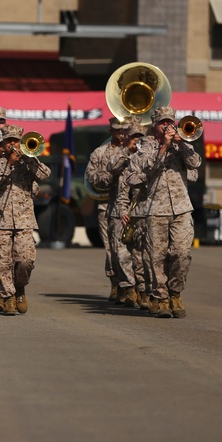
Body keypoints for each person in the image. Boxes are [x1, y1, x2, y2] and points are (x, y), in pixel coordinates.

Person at [124, 105, 201, 318]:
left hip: (181, 208)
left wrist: (181, 144)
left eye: (170, 122)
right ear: (155, 125)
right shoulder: (145, 147)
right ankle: (161, 297)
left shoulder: (182, 144)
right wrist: (163, 148)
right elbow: (136, 175)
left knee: (181, 254)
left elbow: (195, 163)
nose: (167, 126)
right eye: (162, 122)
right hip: (155, 209)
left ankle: (175, 292)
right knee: (156, 257)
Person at [0, 125, 51, 315]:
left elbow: (45, 175)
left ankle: (20, 288)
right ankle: (8, 298)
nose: (13, 144)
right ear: (2, 143)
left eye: (16, 141)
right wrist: (8, 164)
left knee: (26, 261)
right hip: (0, 221)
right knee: (2, 263)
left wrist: (30, 160)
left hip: (24, 221)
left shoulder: (28, 164)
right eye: (9, 141)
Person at [85, 117, 135, 304]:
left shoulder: (137, 148)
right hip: (107, 205)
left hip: (133, 206)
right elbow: (92, 177)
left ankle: (133, 286)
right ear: (110, 131)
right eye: (117, 130)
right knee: (112, 250)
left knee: (134, 250)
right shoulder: (100, 153)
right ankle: (118, 283)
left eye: (125, 130)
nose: (121, 133)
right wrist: (110, 177)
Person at [115, 118, 150, 310]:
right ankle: (141, 292)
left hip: (154, 213)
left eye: (140, 137)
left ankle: (154, 292)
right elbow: (123, 192)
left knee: (152, 257)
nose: (137, 141)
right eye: (134, 137)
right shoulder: (129, 161)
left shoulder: (153, 157)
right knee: (136, 256)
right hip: (136, 214)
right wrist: (123, 211)